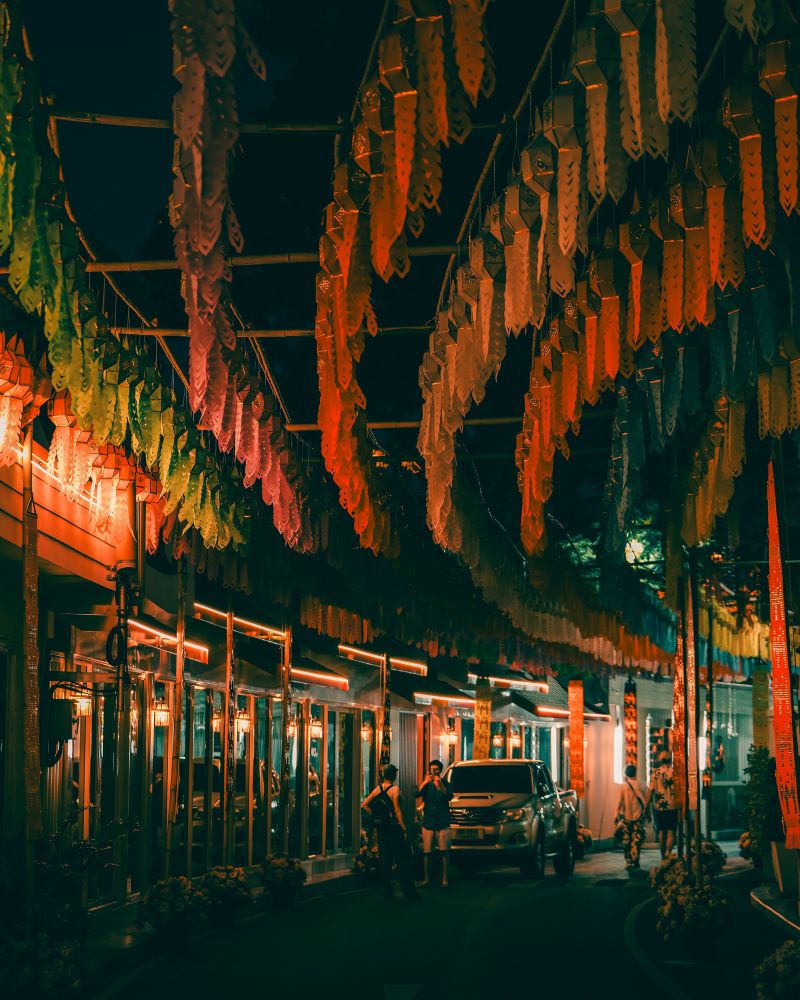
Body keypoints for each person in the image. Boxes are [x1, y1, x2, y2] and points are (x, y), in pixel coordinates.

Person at [361, 764, 420, 902]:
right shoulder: (395, 789)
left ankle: (387, 893)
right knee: (402, 861)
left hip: (383, 830)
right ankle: (409, 892)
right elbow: (397, 810)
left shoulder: (378, 789)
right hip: (394, 829)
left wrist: (376, 817)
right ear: (394, 775)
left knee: (385, 862)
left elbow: (364, 805)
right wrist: (404, 828)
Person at [415, 759, 453, 887]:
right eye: (432, 769)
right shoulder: (427, 785)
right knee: (427, 852)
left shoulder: (446, 784)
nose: (434, 771)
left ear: (440, 770)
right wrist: (425, 782)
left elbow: (448, 796)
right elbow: (416, 794)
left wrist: (440, 783)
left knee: (444, 852)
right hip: (429, 821)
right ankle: (426, 879)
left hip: (443, 821)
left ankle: (445, 879)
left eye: (436, 769)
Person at [616, 763, 649, 872]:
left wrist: (616, 814)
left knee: (627, 840)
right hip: (638, 817)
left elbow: (620, 802)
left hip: (627, 817)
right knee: (636, 839)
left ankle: (628, 861)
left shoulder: (623, 787)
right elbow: (647, 797)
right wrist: (645, 809)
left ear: (626, 774)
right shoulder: (641, 785)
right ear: (635, 773)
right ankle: (636, 860)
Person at [649, 751, 678, 859]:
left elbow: (650, 790)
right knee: (671, 831)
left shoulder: (655, 773)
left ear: (660, 760)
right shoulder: (674, 772)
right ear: (670, 759)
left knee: (662, 832)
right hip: (672, 805)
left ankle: (662, 856)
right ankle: (668, 853)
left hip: (659, 806)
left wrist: (647, 805)